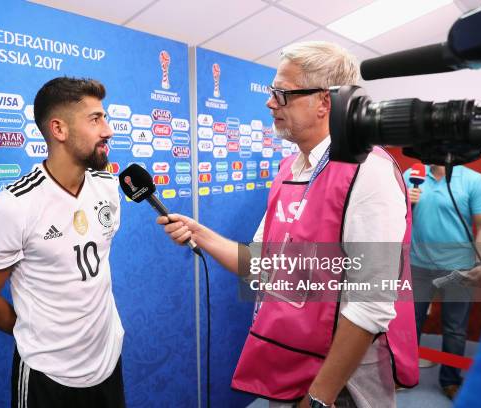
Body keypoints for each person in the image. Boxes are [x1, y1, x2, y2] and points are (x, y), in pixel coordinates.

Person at [159, 41, 418, 408]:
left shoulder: (368, 172)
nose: (270, 103)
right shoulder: (290, 169)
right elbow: (261, 264)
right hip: (289, 367)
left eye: (281, 94)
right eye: (271, 93)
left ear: (324, 102)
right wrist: (201, 234)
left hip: (340, 385)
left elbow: (370, 304)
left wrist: (319, 396)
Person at [0, 77, 125, 408]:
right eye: (95, 119)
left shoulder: (108, 186)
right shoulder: (15, 206)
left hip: (108, 363)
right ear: (59, 129)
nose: (108, 130)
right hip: (47, 376)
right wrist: (36, 335)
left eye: (104, 117)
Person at [404, 163, 481, 399]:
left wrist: (480, 263)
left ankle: (451, 381)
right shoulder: (411, 175)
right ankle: (403, 375)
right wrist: (405, 203)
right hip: (417, 264)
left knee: (455, 329)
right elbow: (392, 217)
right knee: (409, 324)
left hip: (459, 267)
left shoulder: (473, 180)